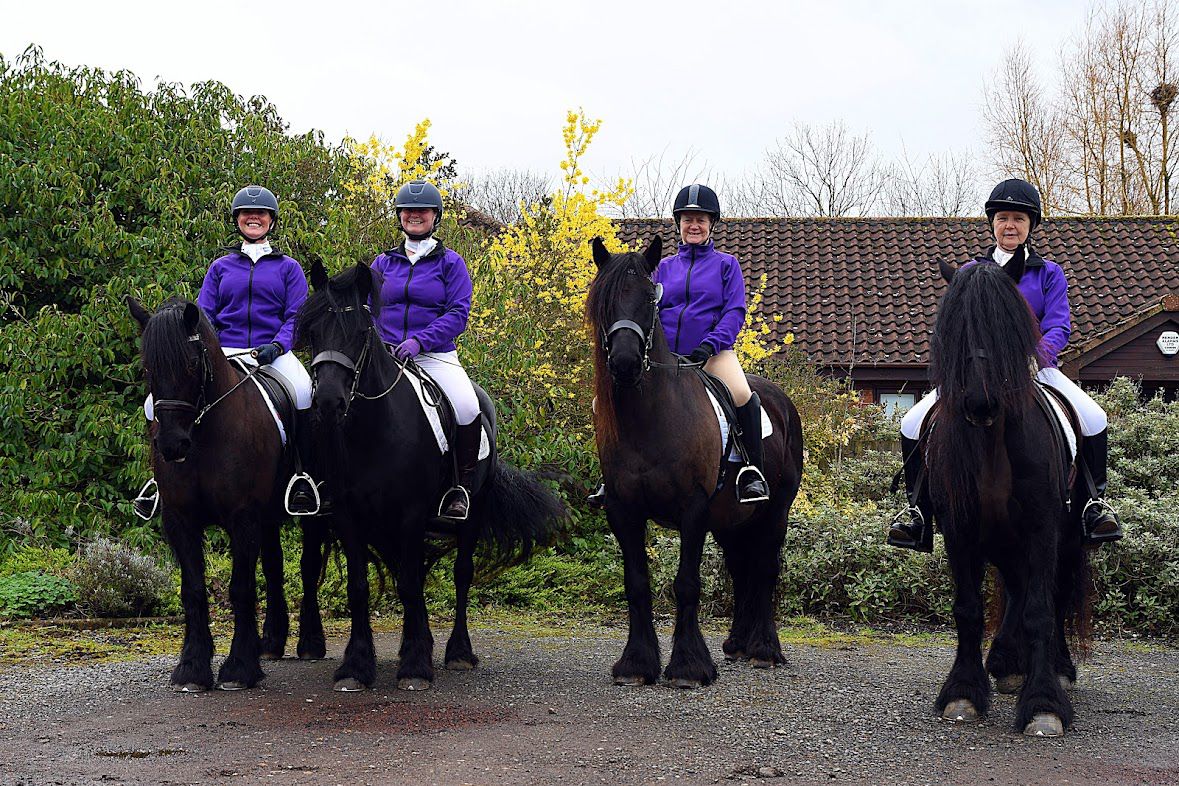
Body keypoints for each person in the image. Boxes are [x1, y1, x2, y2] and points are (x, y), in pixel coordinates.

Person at [887, 177, 1123, 552]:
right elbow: (953, 326)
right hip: (977, 373)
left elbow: (1059, 324)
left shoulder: (1048, 273)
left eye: (1018, 218)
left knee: (1094, 418)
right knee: (911, 421)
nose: (1009, 225)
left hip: (1035, 369)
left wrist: (1034, 358)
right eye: (1002, 218)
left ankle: (1093, 504)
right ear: (992, 223)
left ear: (1030, 226)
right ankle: (917, 512)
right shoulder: (969, 273)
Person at [133, 185, 321, 519]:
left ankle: (302, 477)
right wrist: (213, 350)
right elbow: (204, 316)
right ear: (237, 221)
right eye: (247, 214)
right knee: (152, 402)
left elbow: (297, 315)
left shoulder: (288, 267)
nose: (254, 218)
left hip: (273, 352)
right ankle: (160, 481)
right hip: (225, 351)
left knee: (305, 392)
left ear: (271, 221)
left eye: (261, 214)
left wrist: (278, 345)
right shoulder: (221, 267)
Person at [588, 184, 769, 507]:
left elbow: (734, 311)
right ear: (679, 224)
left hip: (712, 354)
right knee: (604, 400)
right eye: (688, 219)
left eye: (700, 219)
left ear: (711, 223)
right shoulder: (662, 268)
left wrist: (711, 345)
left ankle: (752, 471)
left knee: (742, 394)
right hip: (664, 358)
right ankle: (612, 475)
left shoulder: (727, 265)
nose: (694, 225)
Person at [370, 179, 481, 521]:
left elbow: (458, 313)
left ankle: (460, 487)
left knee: (466, 405)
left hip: (434, 356)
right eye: (408, 210)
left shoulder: (451, 264)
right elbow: (365, 308)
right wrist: (378, 341)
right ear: (399, 216)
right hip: (385, 356)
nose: (414, 215)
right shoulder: (382, 264)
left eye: (422, 211)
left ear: (436, 216)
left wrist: (420, 340)